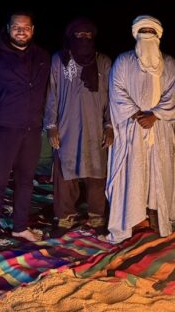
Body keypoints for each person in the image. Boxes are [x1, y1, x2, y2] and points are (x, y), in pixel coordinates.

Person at [0, 10, 50, 254]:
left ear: (33, 30)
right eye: (16, 27)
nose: (21, 31)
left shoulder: (42, 56)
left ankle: (20, 227)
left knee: (26, 181)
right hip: (1, 131)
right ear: (7, 28)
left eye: (26, 27)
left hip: (31, 131)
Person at [104, 15, 175, 243]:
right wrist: (137, 115)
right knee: (132, 175)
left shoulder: (169, 63)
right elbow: (116, 90)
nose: (147, 35)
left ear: (158, 35)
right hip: (132, 128)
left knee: (161, 174)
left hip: (160, 129)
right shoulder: (123, 61)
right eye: (143, 31)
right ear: (136, 34)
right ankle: (132, 220)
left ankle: (157, 217)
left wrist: (155, 115)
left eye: (151, 31)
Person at [44, 17, 113, 236]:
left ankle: (97, 215)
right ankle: (65, 217)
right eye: (79, 35)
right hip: (67, 126)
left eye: (88, 35)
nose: (84, 39)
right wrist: (51, 125)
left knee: (97, 172)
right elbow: (52, 94)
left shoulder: (103, 62)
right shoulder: (60, 60)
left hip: (95, 126)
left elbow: (112, 98)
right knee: (66, 172)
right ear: (70, 37)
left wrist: (110, 125)